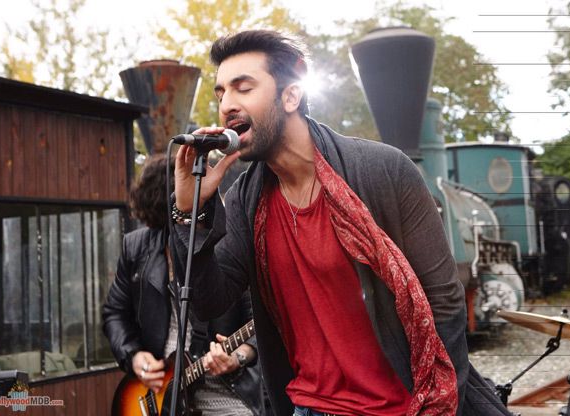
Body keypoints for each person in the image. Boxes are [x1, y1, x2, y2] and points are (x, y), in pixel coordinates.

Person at [171, 30, 511, 416]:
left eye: (243, 88)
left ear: (291, 95)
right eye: (221, 94)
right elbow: (207, 301)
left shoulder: (383, 170)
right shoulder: (245, 200)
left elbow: (445, 301)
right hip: (307, 407)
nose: (227, 105)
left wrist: (435, 407)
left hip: (400, 408)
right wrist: (189, 210)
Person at [102, 154, 267, 416]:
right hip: (158, 393)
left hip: (226, 392)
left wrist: (238, 356)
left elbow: (261, 322)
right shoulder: (136, 247)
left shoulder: (231, 247)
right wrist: (134, 356)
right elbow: (115, 313)